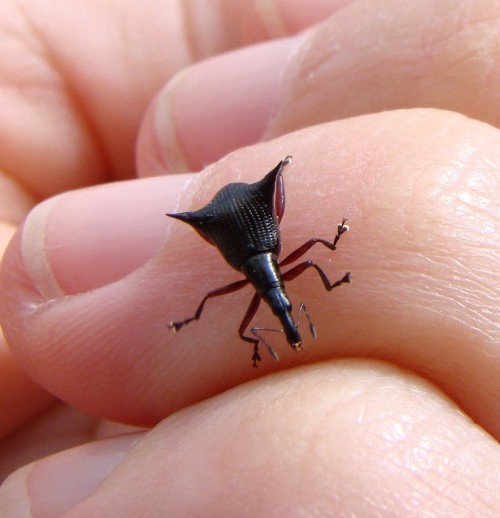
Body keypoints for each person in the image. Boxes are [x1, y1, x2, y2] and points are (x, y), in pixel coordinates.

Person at [0, 0, 499, 515]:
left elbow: (268, 301)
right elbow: (252, 311)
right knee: (254, 299)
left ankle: (277, 182)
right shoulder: (256, 269)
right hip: (245, 235)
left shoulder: (266, 268)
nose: (283, 310)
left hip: (247, 235)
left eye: (281, 309)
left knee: (273, 286)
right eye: (283, 310)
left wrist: (282, 315)